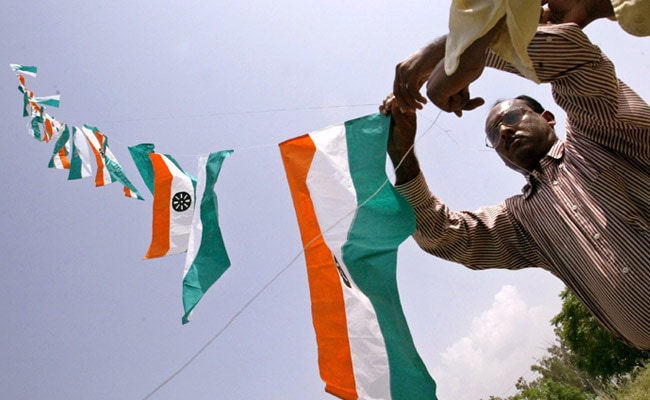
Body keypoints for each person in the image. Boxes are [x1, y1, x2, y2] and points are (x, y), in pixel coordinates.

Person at [381, 17, 650, 348]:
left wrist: (454, 49)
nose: (504, 131)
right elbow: (444, 236)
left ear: (547, 118)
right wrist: (402, 154)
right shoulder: (522, 221)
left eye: (511, 118)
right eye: (494, 135)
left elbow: (578, 62)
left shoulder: (600, 135)